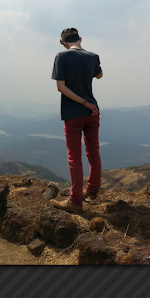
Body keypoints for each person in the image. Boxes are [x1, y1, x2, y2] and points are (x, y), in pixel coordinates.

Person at [51, 28, 103, 213]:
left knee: (74, 157)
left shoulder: (62, 56)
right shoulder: (93, 56)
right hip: (93, 111)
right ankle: (92, 191)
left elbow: (61, 87)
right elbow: (99, 75)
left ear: (64, 43)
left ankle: (75, 201)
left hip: (73, 112)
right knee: (93, 152)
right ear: (80, 38)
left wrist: (82, 102)